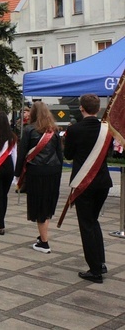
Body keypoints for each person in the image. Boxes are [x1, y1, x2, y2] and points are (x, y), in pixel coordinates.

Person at [64, 93, 112, 283]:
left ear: (81, 108)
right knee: (93, 221)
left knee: (86, 224)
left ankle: (95, 270)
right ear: (98, 108)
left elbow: (68, 154)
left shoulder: (74, 130)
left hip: (84, 183)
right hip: (103, 182)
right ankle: (100, 262)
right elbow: (107, 153)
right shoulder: (106, 129)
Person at [16, 101, 63, 254]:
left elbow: (22, 153)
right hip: (53, 171)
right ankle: (42, 235)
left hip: (37, 171)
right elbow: (59, 155)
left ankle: (44, 243)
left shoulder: (29, 130)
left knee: (39, 206)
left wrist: (17, 174)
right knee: (47, 205)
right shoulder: (54, 130)